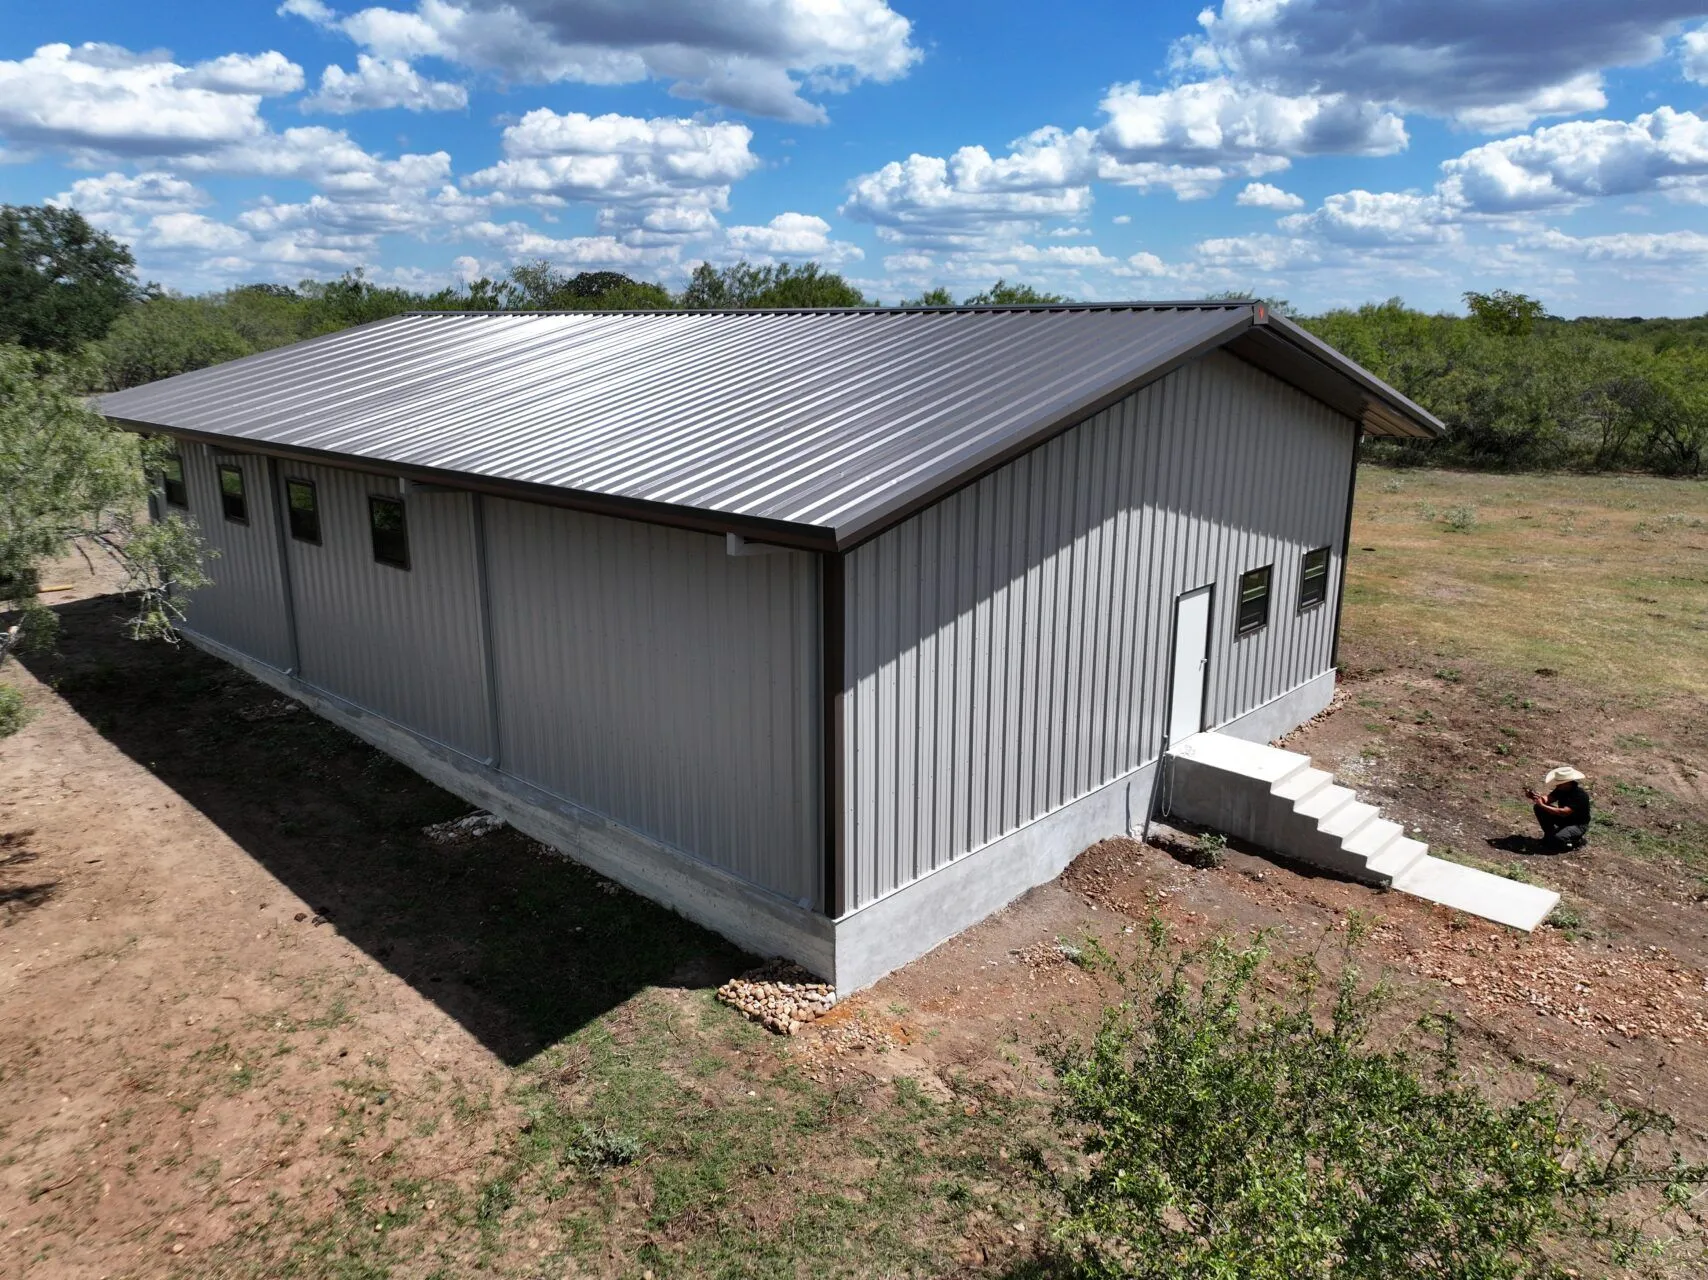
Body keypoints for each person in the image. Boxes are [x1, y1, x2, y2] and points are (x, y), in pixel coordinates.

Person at [1524, 766, 1591, 850]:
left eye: (1559, 782)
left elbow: (1564, 812)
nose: (1557, 784)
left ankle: (1576, 842)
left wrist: (1543, 805)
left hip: (1577, 825)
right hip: (1564, 820)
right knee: (1539, 808)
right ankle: (1549, 836)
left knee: (1558, 839)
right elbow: (1548, 798)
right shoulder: (1561, 789)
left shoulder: (1579, 795)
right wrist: (1536, 798)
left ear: (1567, 782)